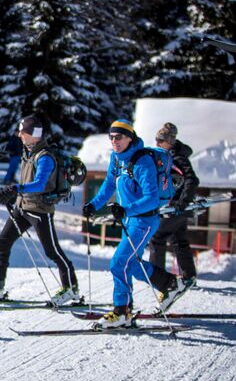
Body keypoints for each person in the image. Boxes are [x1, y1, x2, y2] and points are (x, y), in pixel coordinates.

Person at [82, 120, 191, 328]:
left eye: (119, 137)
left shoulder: (142, 162)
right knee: (131, 264)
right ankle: (169, 283)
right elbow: (109, 184)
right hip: (129, 220)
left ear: (130, 138)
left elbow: (151, 198)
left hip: (144, 220)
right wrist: (93, 205)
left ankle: (122, 311)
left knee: (118, 263)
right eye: (111, 137)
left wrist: (126, 209)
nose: (115, 141)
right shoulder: (116, 158)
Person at [0, 115, 80, 306]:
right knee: (3, 241)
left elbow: (39, 184)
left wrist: (15, 189)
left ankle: (71, 289)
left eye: (22, 132)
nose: (19, 135)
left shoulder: (45, 157)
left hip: (40, 210)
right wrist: (13, 194)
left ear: (32, 134)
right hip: (22, 208)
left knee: (52, 251)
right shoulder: (28, 152)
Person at [149, 123, 200, 286]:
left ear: (170, 141)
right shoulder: (169, 155)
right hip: (176, 207)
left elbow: (192, 180)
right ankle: (189, 276)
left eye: (161, 140)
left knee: (157, 238)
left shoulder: (177, 157)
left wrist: (182, 201)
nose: (157, 143)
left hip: (176, 206)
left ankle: (158, 278)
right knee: (179, 240)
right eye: (156, 139)